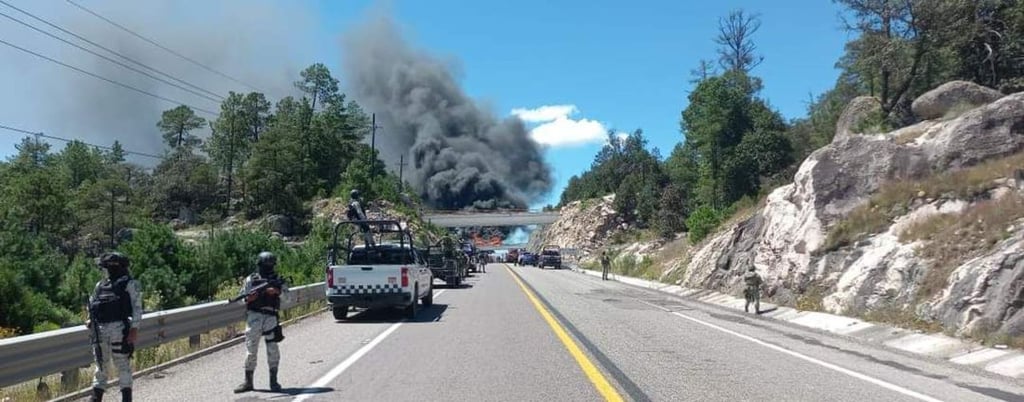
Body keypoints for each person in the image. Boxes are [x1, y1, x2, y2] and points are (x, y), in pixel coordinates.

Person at [87, 252, 143, 402]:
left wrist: (134, 329)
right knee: (110, 365)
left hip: (110, 330)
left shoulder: (114, 284)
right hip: (108, 330)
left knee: (111, 365)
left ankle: (109, 398)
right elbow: (93, 305)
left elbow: (137, 308)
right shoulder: (109, 284)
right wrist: (134, 329)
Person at [234, 252, 288, 393]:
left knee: (273, 350)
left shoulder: (277, 280)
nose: (268, 268)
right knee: (251, 350)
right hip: (254, 317)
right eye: (266, 266)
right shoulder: (251, 279)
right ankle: (248, 382)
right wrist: (248, 299)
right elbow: (241, 298)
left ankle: (274, 381)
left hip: (271, 318)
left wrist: (276, 292)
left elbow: (287, 298)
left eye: (270, 266)